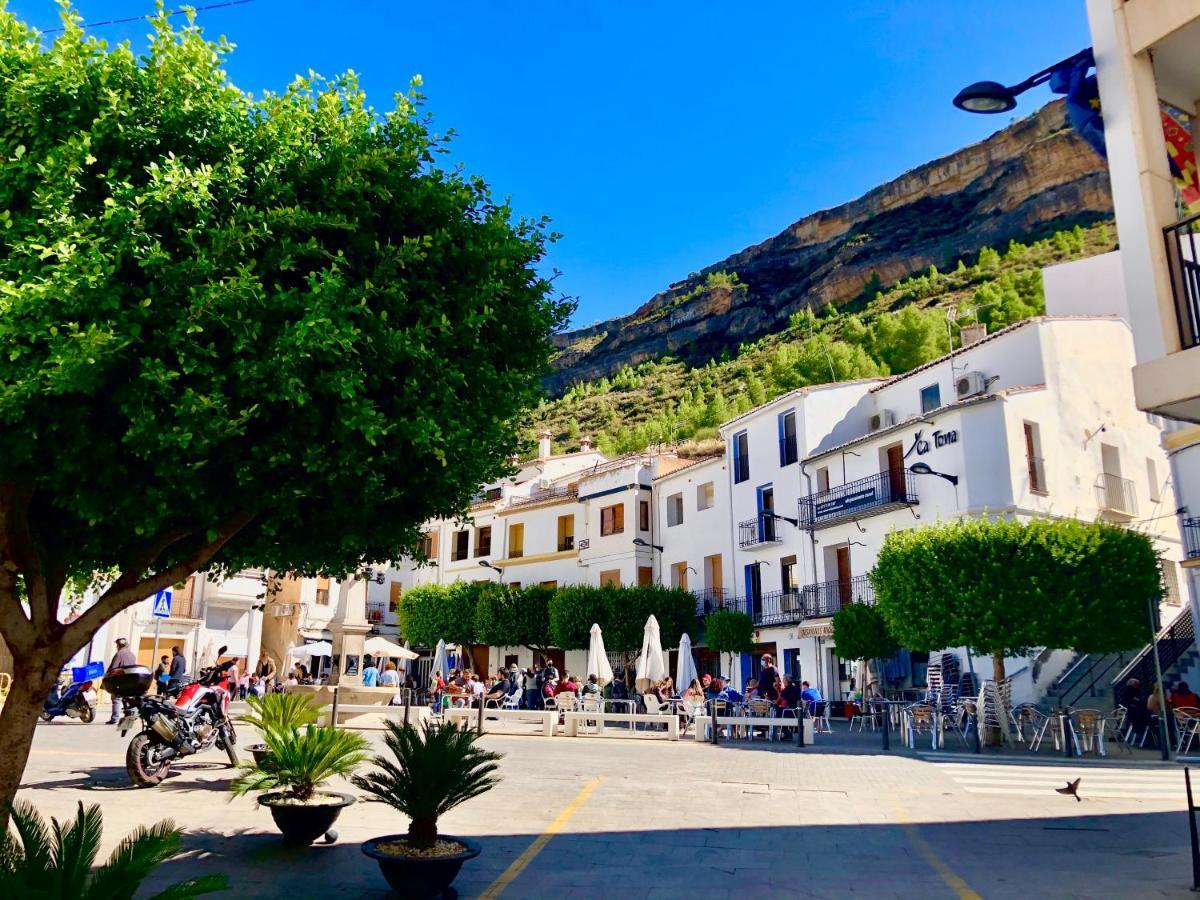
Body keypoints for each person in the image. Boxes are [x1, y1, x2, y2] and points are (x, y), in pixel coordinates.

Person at [106, 638, 137, 724]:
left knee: (116, 699)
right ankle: (129, 718)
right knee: (127, 699)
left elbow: (113, 668)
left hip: (120, 681)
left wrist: (107, 676)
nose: (116, 647)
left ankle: (115, 719)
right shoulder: (132, 654)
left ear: (120, 645)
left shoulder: (119, 654)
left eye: (117, 645)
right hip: (130, 681)